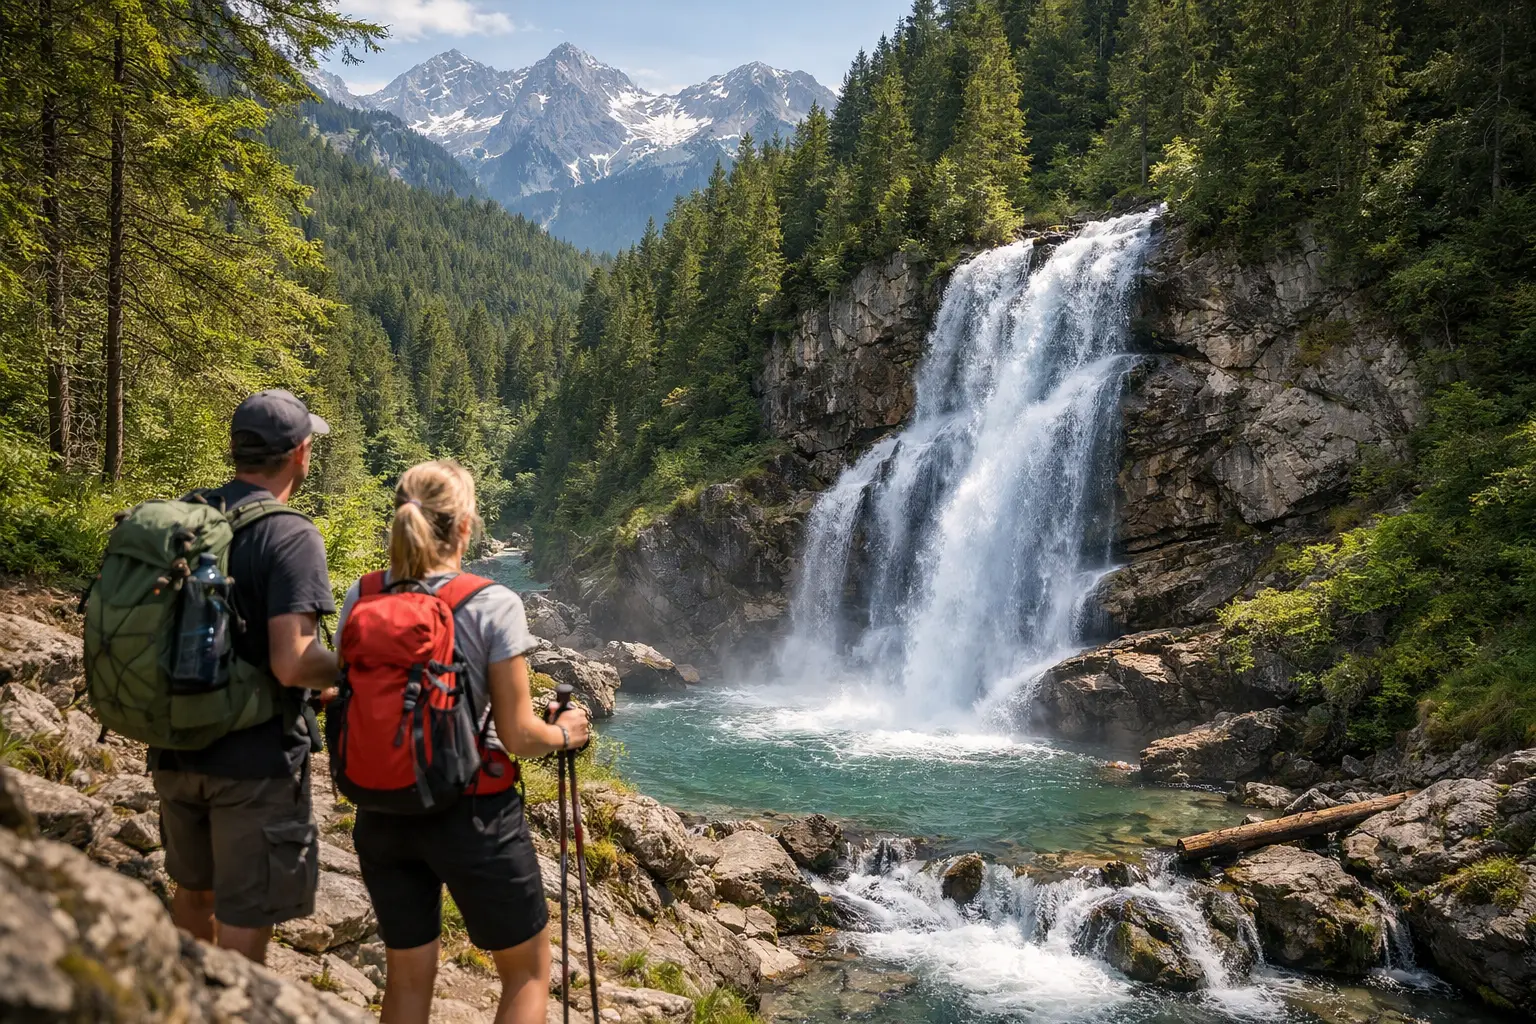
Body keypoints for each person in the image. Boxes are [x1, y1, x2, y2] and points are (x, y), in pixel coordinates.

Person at [337, 460, 590, 1024]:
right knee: (526, 972)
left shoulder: (362, 595)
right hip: (473, 814)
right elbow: (522, 736)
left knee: (405, 980)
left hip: (382, 810)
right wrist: (565, 732)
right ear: (466, 526)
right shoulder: (492, 602)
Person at [151, 389, 338, 963]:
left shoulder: (187, 515)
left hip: (176, 746)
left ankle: (185, 1004)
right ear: (300, 453)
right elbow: (292, 660)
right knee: (245, 916)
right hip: (254, 762)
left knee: (194, 891)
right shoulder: (291, 535)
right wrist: (352, 664)